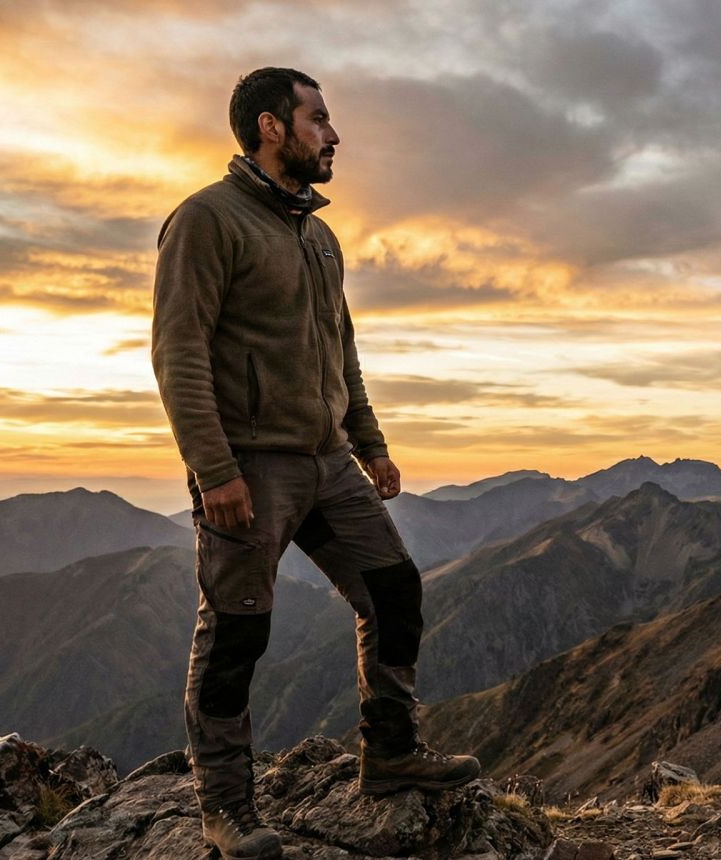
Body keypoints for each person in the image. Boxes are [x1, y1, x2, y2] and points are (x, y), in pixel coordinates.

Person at [151, 67, 479, 860]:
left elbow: (343, 351)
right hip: (249, 470)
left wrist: (370, 445)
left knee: (394, 591)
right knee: (236, 637)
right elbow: (179, 352)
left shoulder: (319, 235)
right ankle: (225, 810)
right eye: (320, 119)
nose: (334, 135)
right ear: (273, 127)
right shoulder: (206, 221)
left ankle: (391, 753)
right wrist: (214, 468)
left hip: (328, 461)